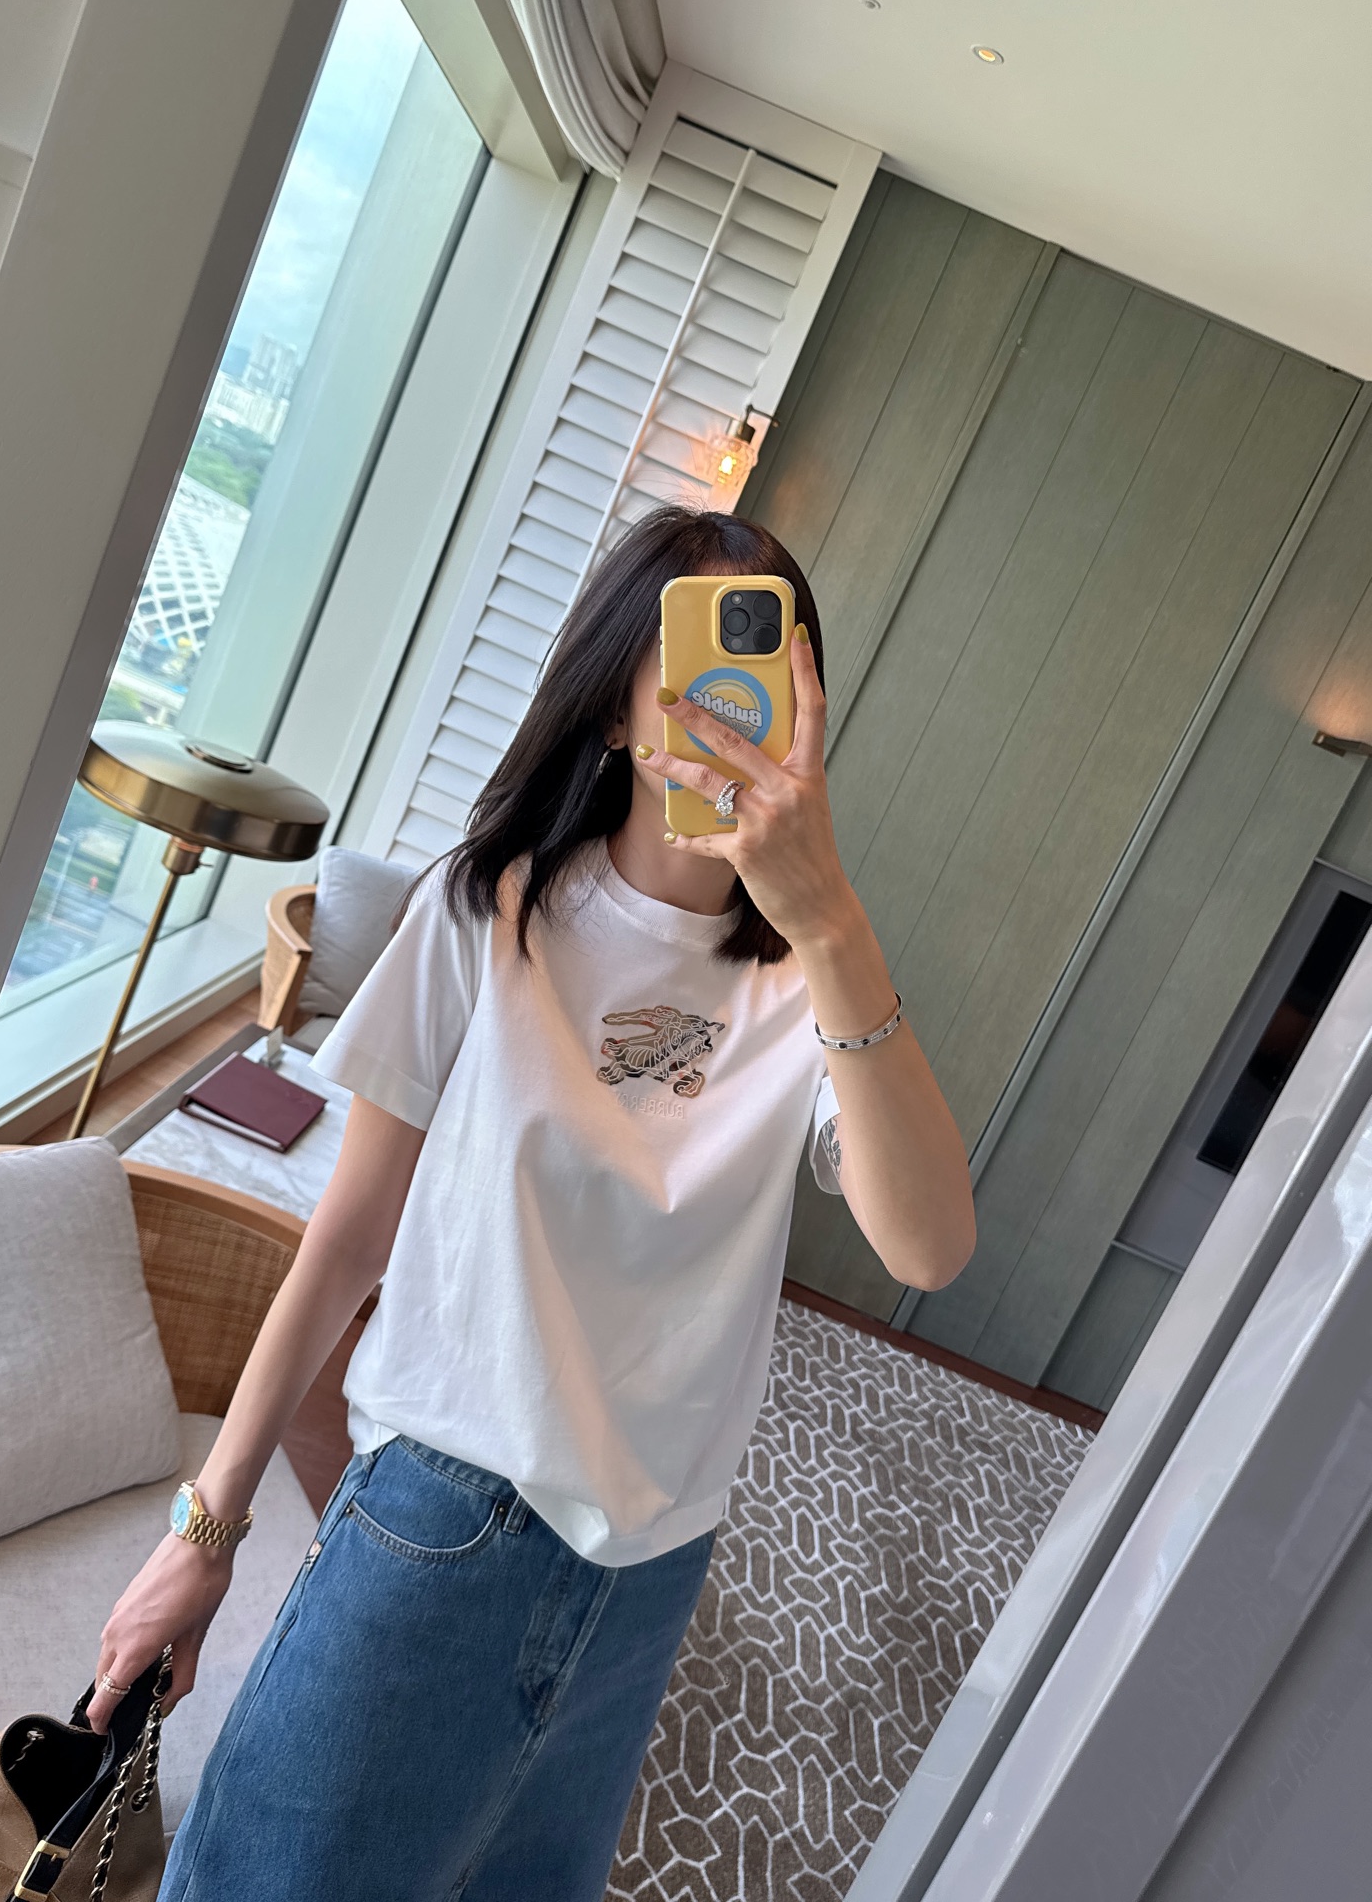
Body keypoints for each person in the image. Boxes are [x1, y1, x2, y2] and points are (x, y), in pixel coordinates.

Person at [88, 504, 975, 1901]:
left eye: (767, 662)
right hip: (439, 1518)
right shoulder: (483, 910)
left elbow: (930, 1246)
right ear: (617, 705)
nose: (734, 703)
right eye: (697, 661)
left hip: (652, 1570)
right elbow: (346, 1240)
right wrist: (207, 1531)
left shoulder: (815, 980)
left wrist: (830, 923)